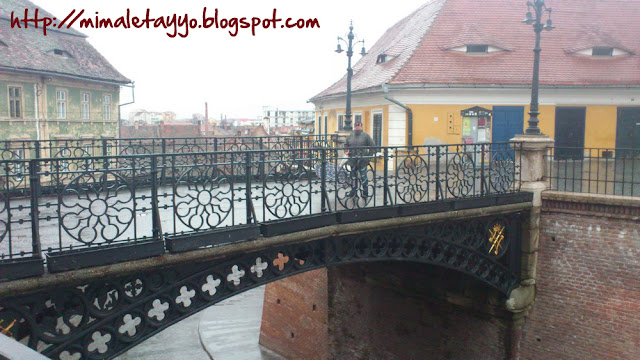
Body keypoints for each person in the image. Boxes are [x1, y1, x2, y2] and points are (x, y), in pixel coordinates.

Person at [344, 120, 376, 198]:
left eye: (359, 126)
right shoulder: (350, 136)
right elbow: (346, 145)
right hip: (352, 160)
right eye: (356, 126)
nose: (357, 127)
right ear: (354, 127)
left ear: (361, 127)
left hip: (362, 160)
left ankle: (365, 192)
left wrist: (368, 157)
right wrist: (346, 151)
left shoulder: (366, 136)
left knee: (363, 177)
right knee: (353, 177)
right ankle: (353, 192)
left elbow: (373, 147)